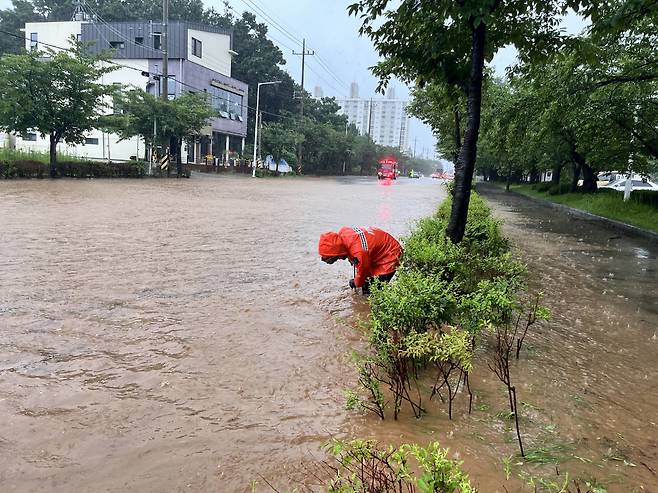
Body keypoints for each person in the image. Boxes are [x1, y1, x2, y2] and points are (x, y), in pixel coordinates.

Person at [318, 226, 402, 294]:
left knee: (373, 290)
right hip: (379, 248)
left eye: (333, 258)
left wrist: (355, 282)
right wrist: (351, 258)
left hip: (391, 254)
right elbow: (353, 248)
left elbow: (363, 270)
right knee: (366, 283)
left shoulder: (359, 252)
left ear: (338, 252)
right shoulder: (343, 232)